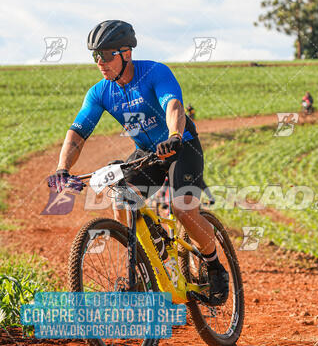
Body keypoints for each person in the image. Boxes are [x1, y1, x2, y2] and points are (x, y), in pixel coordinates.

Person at [47, 20, 228, 305]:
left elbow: (173, 105)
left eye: (107, 55)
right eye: (95, 56)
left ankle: (215, 265)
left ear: (126, 53)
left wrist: (174, 135)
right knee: (121, 198)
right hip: (147, 153)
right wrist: (62, 168)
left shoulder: (155, 72)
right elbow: (78, 132)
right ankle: (149, 259)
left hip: (181, 146)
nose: (100, 62)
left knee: (183, 208)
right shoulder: (100, 92)